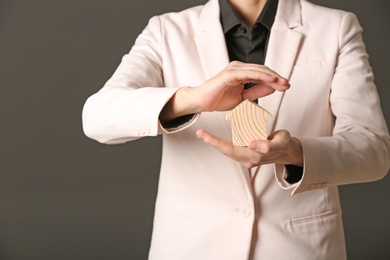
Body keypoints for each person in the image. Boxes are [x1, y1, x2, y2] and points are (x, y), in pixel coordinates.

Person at [82, 0, 390, 259]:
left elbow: (374, 151)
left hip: (299, 248)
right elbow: (97, 118)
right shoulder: (166, 30)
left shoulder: (335, 27)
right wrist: (192, 98)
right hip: (189, 248)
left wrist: (296, 153)